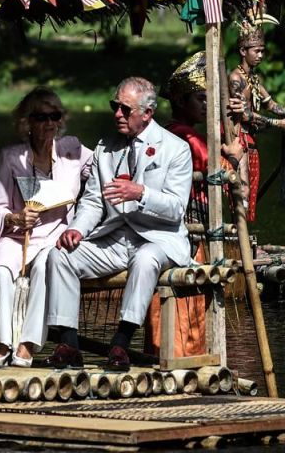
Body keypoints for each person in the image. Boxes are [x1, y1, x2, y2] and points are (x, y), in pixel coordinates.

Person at [43, 77, 193, 371]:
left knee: (147, 259)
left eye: (125, 109)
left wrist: (142, 193)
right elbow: (92, 202)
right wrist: (76, 229)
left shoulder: (175, 149)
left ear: (147, 113)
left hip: (157, 238)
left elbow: (176, 209)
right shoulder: (106, 147)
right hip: (113, 238)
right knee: (59, 255)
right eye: (115, 106)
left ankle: (121, 343)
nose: (117, 114)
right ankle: (69, 345)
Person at [0, 87, 91, 368]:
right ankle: (4, 342)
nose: (50, 124)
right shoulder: (11, 157)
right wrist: (15, 218)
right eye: (42, 117)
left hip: (55, 236)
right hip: (19, 236)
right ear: (26, 122)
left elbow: (105, 167)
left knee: (46, 266)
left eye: (55, 116)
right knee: (1, 272)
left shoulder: (73, 150)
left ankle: (27, 344)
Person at [143, 53, 243, 357]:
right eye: (200, 98)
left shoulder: (179, 135)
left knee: (190, 304)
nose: (205, 105)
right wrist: (234, 154)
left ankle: (174, 354)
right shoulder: (183, 137)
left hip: (187, 232)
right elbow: (222, 169)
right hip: (186, 233)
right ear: (182, 102)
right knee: (187, 303)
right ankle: (181, 358)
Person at [227, 18, 285, 221]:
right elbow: (244, 114)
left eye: (263, 51)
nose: (261, 55)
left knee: (251, 191)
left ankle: (244, 241)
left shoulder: (253, 79)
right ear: (243, 51)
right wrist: (277, 123)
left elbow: (271, 105)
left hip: (251, 140)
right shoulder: (236, 78)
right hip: (239, 139)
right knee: (241, 192)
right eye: (257, 51)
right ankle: (239, 241)